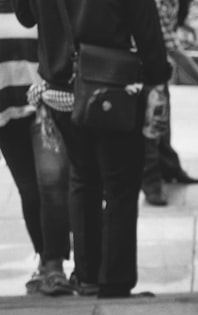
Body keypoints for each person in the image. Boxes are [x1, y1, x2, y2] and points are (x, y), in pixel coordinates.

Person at [14, 0, 172, 299]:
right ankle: (114, 282)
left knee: (83, 178)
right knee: (120, 185)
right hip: (110, 86)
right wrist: (156, 79)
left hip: (60, 89)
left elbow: (25, 16)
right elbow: (147, 29)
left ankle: (87, 277)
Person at [0, 0, 71, 296]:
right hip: (5, 110)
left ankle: (55, 264)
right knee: (29, 189)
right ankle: (44, 259)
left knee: (52, 183)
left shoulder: (36, 3)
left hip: (44, 107)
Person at [141, 0, 198, 207]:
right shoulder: (159, 3)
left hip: (159, 71)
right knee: (151, 131)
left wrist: (182, 26)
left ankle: (170, 170)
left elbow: (168, 31)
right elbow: (175, 50)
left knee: (162, 128)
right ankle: (151, 185)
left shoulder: (172, 2)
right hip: (146, 74)